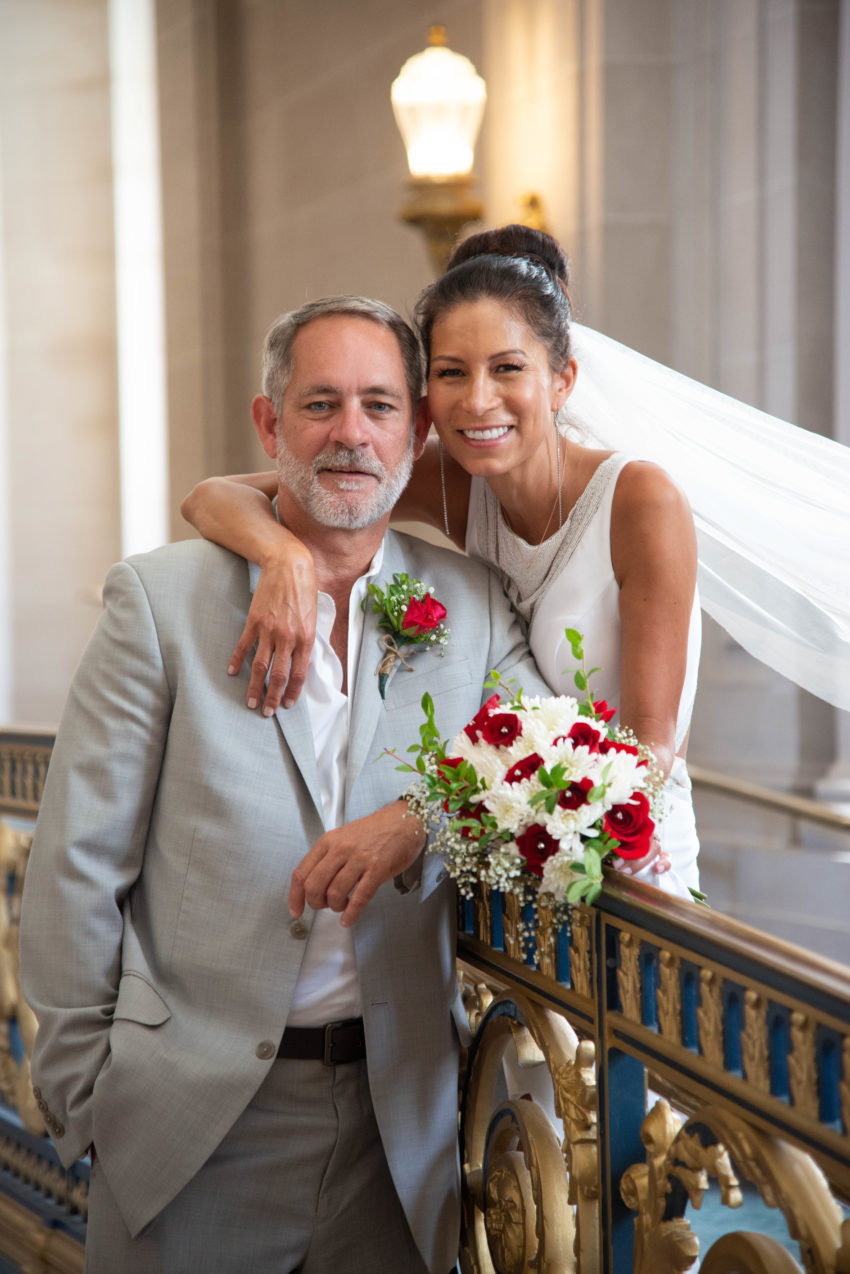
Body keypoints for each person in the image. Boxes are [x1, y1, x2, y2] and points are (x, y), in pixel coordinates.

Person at [19, 295, 550, 1274]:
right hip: (190, 1122)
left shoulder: (470, 605)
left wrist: (416, 815)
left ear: (417, 432)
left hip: (400, 1128)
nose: (350, 431)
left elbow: (544, 751)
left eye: (380, 405)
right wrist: (89, 1097)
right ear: (270, 425)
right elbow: (76, 863)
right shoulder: (160, 600)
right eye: (320, 403)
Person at [183, 225, 701, 894]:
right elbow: (213, 496)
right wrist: (284, 556)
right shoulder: (455, 481)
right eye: (452, 372)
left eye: (507, 368)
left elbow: (649, 754)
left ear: (562, 380)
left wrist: (431, 816)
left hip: (627, 850)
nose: (478, 400)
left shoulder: (640, 500)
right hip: (511, 849)